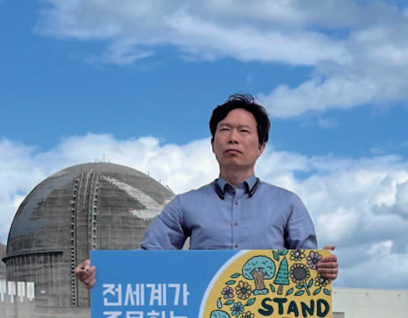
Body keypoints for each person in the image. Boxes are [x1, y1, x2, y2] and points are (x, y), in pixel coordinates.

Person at [75, 93, 338, 287]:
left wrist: (323, 266)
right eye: (225, 130)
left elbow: (308, 267)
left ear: (261, 147)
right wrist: (101, 273)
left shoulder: (289, 204)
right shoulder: (184, 205)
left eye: (244, 131)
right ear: (213, 144)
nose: (233, 137)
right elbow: (149, 260)